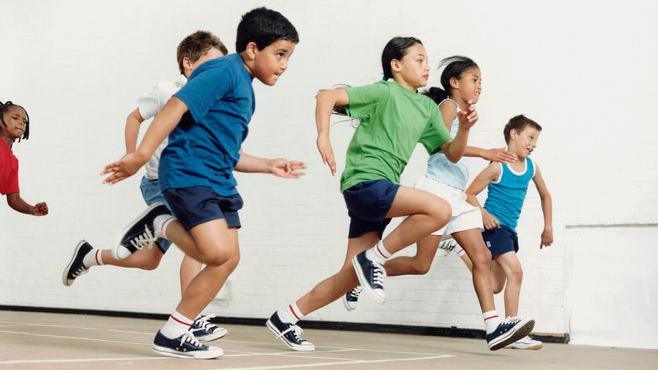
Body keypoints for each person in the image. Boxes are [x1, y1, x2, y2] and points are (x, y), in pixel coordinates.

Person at [101, 7, 302, 359]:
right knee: (215, 252)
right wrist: (140, 153)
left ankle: (173, 333)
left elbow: (232, 153)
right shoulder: (223, 69)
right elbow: (175, 107)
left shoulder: (246, 91)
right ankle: (159, 223)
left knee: (227, 259)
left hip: (218, 178)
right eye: (280, 54)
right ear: (253, 49)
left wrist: (270, 164)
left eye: (289, 57)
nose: (284, 64)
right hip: (189, 172)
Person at [267, 36, 480, 351]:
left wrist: (463, 129)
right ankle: (374, 259)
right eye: (418, 59)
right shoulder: (384, 92)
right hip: (365, 182)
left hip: (379, 193)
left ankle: (285, 317)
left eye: (426, 60)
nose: (426, 66)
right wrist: (323, 136)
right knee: (439, 210)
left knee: (349, 275)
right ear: (396, 65)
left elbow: (451, 153)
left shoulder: (425, 107)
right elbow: (326, 97)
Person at [342, 56, 533, 350]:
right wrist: (484, 153)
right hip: (438, 191)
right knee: (421, 265)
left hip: (457, 196)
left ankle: (493, 327)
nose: (479, 86)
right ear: (455, 83)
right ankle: (358, 275)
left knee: (480, 258)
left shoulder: (464, 113)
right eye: (474, 80)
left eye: (481, 81)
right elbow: (444, 147)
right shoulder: (448, 106)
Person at [62, 31, 229, 342]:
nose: (219, 71)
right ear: (188, 63)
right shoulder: (169, 90)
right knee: (200, 243)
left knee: (148, 260)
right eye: (212, 63)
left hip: (192, 182)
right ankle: (191, 319)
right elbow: (133, 117)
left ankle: (89, 256)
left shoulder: (213, 97)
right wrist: (132, 155)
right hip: (163, 181)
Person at [462, 114, 553, 350]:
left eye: (536, 141)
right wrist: (483, 214)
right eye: (530, 138)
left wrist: (548, 227)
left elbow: (546, 195)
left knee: (494, 286)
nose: (533, 144)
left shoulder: (531, 167)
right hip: (494, 228)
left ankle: (463, 254)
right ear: (513, 134)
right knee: (516, 271)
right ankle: (514, 331)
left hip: (510, 231)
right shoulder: (497, 166)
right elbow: (469, 194)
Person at [0, 101, 48, 217]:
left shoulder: (13, 162)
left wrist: (31, 209)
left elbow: (14, 199)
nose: (21, 123)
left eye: (24, 121)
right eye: (15, 118)